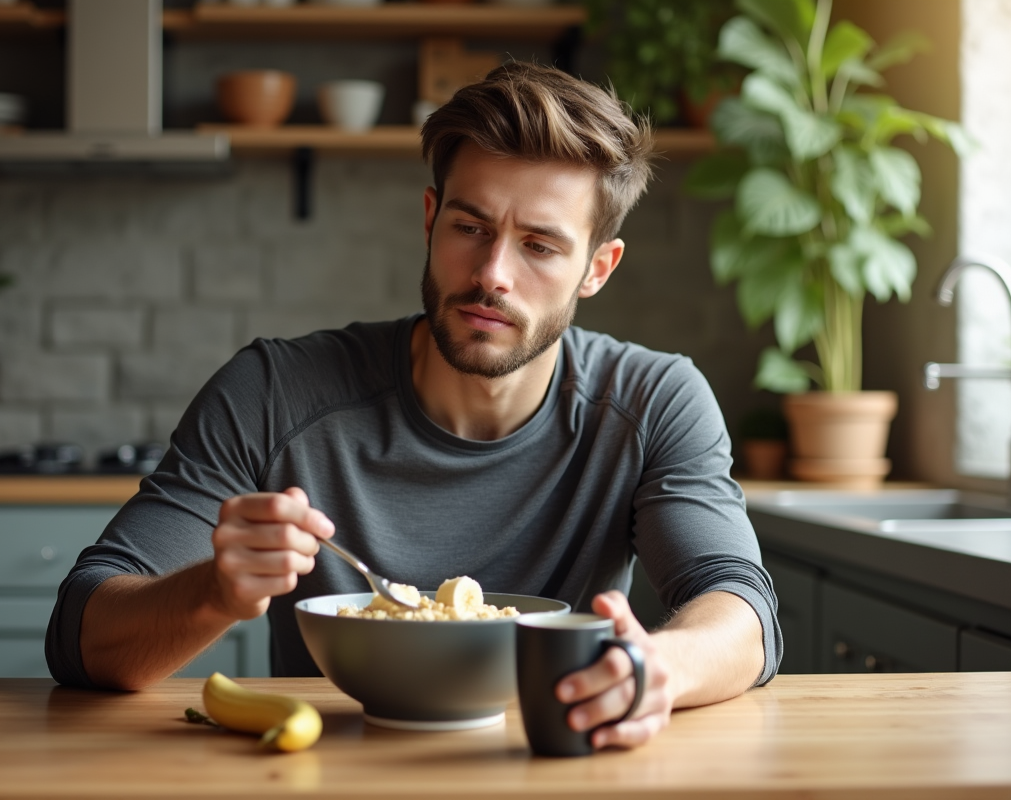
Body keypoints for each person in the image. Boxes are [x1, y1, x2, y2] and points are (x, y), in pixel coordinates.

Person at [47, 61, 781, 751]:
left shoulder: (653, 401)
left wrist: (662, 666)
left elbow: (740, 609)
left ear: (597, 268)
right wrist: (211, 591)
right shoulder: (274, 392)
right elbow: (81, 635)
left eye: (539, 246)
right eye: (470, 228)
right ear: (430, 218)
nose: (492, 273)